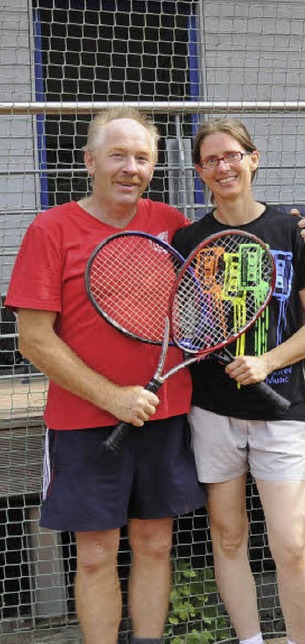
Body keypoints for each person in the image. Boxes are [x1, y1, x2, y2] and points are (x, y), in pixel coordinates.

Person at [4, 107, 208, 644]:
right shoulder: (51, 229)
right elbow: (34, 339)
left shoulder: (173, 226)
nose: (130, 168)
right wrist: (113, 397)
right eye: (117, 155)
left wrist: (301, 230)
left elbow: (223, 272)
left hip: (165, 414)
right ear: (89, 160)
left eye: (142, 157)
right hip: (84, 422)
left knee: (156, 544)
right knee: (95, 554)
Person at [172, 117, 305, 644]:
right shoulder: (188, 240)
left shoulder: (291, 228)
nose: (223, 167)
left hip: (280, 410)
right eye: (211, 161)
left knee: (289, 544)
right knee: (229, 536)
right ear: (199, 172)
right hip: (213, 412)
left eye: (232, 155)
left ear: (253, 158)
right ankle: (250, 640)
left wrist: (267, 363)